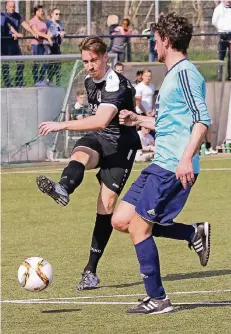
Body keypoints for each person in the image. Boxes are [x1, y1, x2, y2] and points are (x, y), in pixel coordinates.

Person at [111, 12, 211, 315]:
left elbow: (202, 121)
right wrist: (137, 118)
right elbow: (171, 124)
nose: (154, 44)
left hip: (172, 167)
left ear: (166, 40)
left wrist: (185, 159)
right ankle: (191, 233)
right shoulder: (173, 75)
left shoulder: (185, 73)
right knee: (122, 221)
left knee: (140, 227)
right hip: (160, 162)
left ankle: (158, 298)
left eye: (156, 39)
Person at [36, 36, 141, 290]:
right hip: (101, 138)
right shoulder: (87, 80)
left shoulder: (116, 84)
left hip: (121, 146)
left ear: (105, 57)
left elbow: (102, 120)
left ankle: (91, 271)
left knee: (105, 206)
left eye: (94, 60)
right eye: (85, 61)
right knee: (81, 152)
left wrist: (62, 124)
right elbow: (99, 126)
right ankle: (63, 187)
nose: (90, 65)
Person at [1, 0, 38, 87]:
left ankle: (19, 82)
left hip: (14, 44)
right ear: (6, 7)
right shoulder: (3, 15)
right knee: (6, 64)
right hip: (5, 44)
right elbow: (8, 26)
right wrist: (14, 34)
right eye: (10, 6)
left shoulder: (17, 15)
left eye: (13, 6)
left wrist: (32, 32)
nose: (12, 8)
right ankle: (7, 83)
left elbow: (24, 24)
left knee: (20, 62)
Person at [29, 5, 53, 85]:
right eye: (39, 11)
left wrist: (49, 35)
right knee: (36, 63)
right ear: (35, 12)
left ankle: (40, 80)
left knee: (46, 62)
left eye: (42, 11)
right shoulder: (32, 21)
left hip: (44, 44)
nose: (41, 12)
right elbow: (37, 32)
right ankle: (36, 81)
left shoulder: (43, 21)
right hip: (36, 44)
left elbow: (46, 31)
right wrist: (47, 37)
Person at [212, 0, 231, 80]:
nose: (229, 1)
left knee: (230, 56)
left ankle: (230, 76)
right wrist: (221, 28)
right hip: (222, 34)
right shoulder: (218, 9)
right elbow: (214, 22)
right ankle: (219, 76)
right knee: (221, 55)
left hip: (230, 34)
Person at [46, 8, 65, 86]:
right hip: (50, 45)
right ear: (52, 14)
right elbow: (49, 33)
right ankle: (49, 80)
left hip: (57, 45)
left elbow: (62, 31)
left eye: (59, 14)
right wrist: (58, 33)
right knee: (51, 64)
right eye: (56, 14)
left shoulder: (59, 23)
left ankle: (58, 82)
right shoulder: (48, 23)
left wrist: (62, 33)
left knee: (58, 65)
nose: (58, 16)